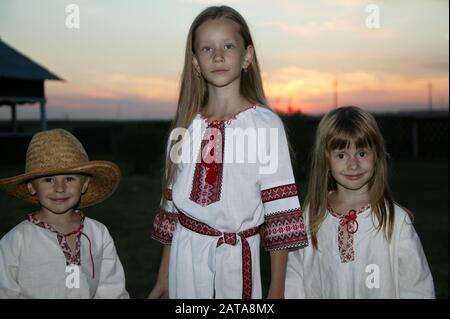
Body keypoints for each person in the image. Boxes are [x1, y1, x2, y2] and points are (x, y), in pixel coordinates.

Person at [148, 5, 308, 299]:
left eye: (228, 46)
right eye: (207, 48)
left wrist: (277, 290)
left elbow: (279, 212)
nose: (218, 55)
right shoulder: (185, 126)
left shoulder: (264, 125)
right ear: (195, 61)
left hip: (234, 260)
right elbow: (172, 207)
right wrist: (163, 278)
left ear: (247, 56)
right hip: (185, 258)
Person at [285, 106, 435, 298]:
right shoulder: (312, 216)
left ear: (377, 154)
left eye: (362, 153)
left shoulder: (396, 220)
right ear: (326, 159)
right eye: (341, 155)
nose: (353, 164)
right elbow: (295, 277)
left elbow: (416, 286)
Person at [0, 129, 129, 299]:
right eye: (48, 179)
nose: (59, 188)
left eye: (69, 179)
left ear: (84, 184)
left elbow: (111, 288)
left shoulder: (98, 233)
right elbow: (5, 290)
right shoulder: (16, 240)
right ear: (31, 186)